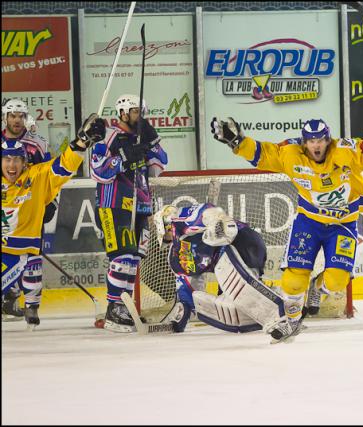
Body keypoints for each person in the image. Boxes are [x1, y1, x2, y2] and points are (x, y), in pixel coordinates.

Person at [211, 115, 363, 341]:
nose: (317, 145)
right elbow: (262, 154)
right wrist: (237, 142)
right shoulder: (290, 154)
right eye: (312, 141)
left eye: (321, 140)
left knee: (337, 281)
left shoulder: (345, 150)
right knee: (294, 281)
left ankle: (317, 287)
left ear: (328, 140)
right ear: (304, 143)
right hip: (309, 222)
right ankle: (292, 321)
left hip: (342, 224)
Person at [2, 114, 105, 329]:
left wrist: (82, 142)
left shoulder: (36, 176)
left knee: (31, 266)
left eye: (16, 160)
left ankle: (31, 305)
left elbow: (63, 166)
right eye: (6, 159)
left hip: (19, 251)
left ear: (24, 161)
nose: (11, 165)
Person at [153, 202, 298, 341]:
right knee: (234, 305)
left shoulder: (179, 221)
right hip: (230, 258)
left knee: (239, 288)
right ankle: (288, 303)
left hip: (242, 242)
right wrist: (178, 322)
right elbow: (187, 293)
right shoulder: (175, 257)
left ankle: (281, 316)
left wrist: (216, 225)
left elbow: (209, 211)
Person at [90, 94, 168, 333]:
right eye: (135, 112)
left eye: (142, 112)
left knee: (133, 260)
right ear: (123, 113)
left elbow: (159, 166)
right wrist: (122, 159)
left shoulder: (142, 136)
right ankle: (114, 309)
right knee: (121, 257)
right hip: (113, 204)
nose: (139, 116)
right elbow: (98, 171)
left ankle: (124, 307)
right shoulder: (108, 137)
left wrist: (151, 141)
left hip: (141, 205)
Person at [1, 99, 57, 326]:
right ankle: (9, 297)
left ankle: (32, 305)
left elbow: (51, 174)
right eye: (12, 115)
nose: (16, 119)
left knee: (32, 256)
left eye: (20, 115)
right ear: (5, 117)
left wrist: (51, 202)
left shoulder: (37, 143)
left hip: (31, 207)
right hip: (6, 207)